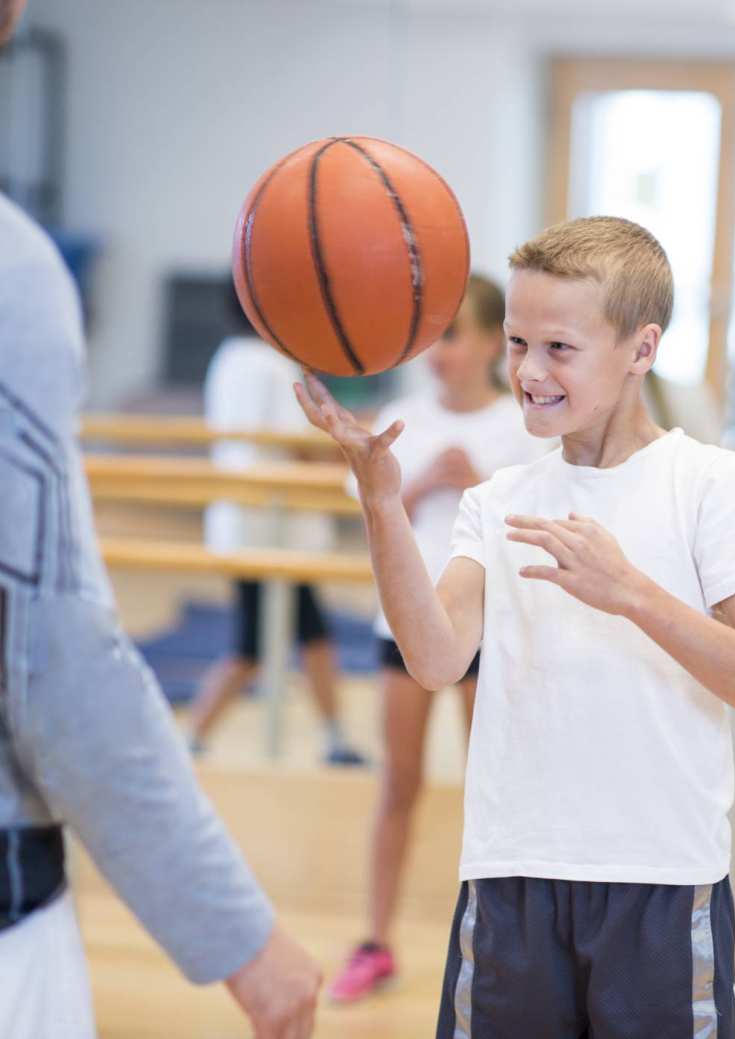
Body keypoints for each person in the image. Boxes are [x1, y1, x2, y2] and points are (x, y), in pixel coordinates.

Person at [298, 216, 735, 1038]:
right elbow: (431, 656)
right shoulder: (498, 500)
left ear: (641, 349)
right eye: (517, 342)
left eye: (559, 348)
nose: (529, 371)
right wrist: (381, 502)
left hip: (661, 881)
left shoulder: (712, 484)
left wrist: (632, 593)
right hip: (509, 879)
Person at [0, 4, 321, 1034]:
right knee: (266, 641)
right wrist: (237, 936)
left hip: (251, 530)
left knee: (281, 643)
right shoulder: (12, 273)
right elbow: (50, 663)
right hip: (259, 529)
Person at [329, 274, 545, 1002]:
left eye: (451, 334)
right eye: (430, 336)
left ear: (492, 343)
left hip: (492, 626)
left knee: (496, 791)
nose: (437, 351)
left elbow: (539, 525)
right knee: (399, 781)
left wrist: (479, 478)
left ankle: (508, 948)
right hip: (405, 626)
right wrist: (413, 485)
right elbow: (367, 509)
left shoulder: (521, 425)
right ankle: (376, 939)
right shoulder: (403, 416)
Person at [188, 286, 365, 767]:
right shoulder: (271, 363)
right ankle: (192, 736)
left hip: (252, 518)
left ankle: (334, 737)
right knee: (255, 644)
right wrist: (344, 463)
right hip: (271, 523)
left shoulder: (228, 358)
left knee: (310, 632)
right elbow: (294, 440)